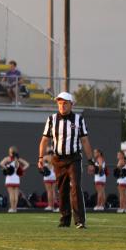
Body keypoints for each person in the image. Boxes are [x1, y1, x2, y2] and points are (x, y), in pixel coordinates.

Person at [38, 92, 95, 228]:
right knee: (62, 190)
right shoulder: (51, 119)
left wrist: (91, 161)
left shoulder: (78, 120)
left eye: (65, 103)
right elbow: (44, 140)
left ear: (71, 104)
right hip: (58, 159)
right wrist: (40, 157)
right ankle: (65, 219)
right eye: (59, 103)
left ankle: (80, 220)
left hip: (74, 158)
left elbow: (85, 141)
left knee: (75, 187)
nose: (62, 106)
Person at [0, 146, 29, 213]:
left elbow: (1, 163)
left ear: (10, 152)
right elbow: (27, 164)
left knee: (11, 194)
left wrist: (6, 167)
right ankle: (15, 208)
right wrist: (21, 169)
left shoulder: (8, 159)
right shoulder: (18, 159)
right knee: (16, 194)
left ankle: (12, 208)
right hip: (16, 178)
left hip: (9, 178)